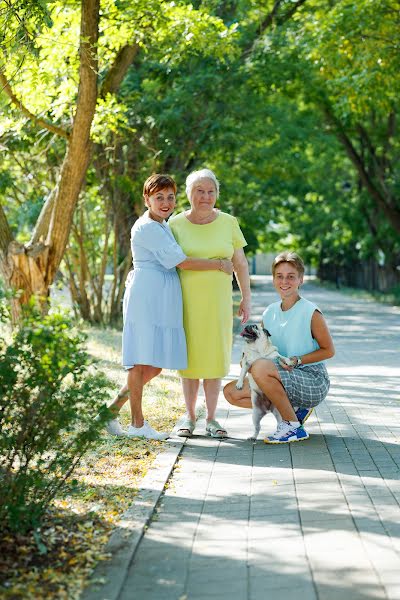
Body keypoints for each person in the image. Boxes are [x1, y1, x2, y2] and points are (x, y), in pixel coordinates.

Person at [105, 174, 234, 440]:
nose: (166, 202)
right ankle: (137, 424)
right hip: (147, 295)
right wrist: (220, 264)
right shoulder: (148, 227)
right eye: (159, 197)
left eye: (170, 197)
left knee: (153, 366)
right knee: (140, 361)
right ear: (147, 199)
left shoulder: (161, 224)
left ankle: (110, 410)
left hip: (159, 294)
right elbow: (181, 262)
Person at [168, 168, 251, 438]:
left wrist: (246, 299)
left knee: (214, 360)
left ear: (217, 194)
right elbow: (166, 264)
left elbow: (240, 263)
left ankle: (213, 419)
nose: (205, 197)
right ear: (189, 194)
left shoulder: (228, 222)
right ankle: (189, 418)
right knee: (190, 362)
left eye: (210, 191)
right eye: (199, 191)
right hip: (186, 304)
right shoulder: (175, 224)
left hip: (217, 304)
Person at [223, 251, 335, 444]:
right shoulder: (270, 312)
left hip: (312, 379)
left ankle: (292, 426)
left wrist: (297, 360)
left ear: (300, 279)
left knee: (260, 367)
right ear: (274, 279)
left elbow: (328, 350)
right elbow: (260, 347)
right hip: (281, 374)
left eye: (291, 277)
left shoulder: (311, 312)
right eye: (280, 276)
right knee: (232, 392)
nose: (285, 281)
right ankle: (295, 411)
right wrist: (246, 358)